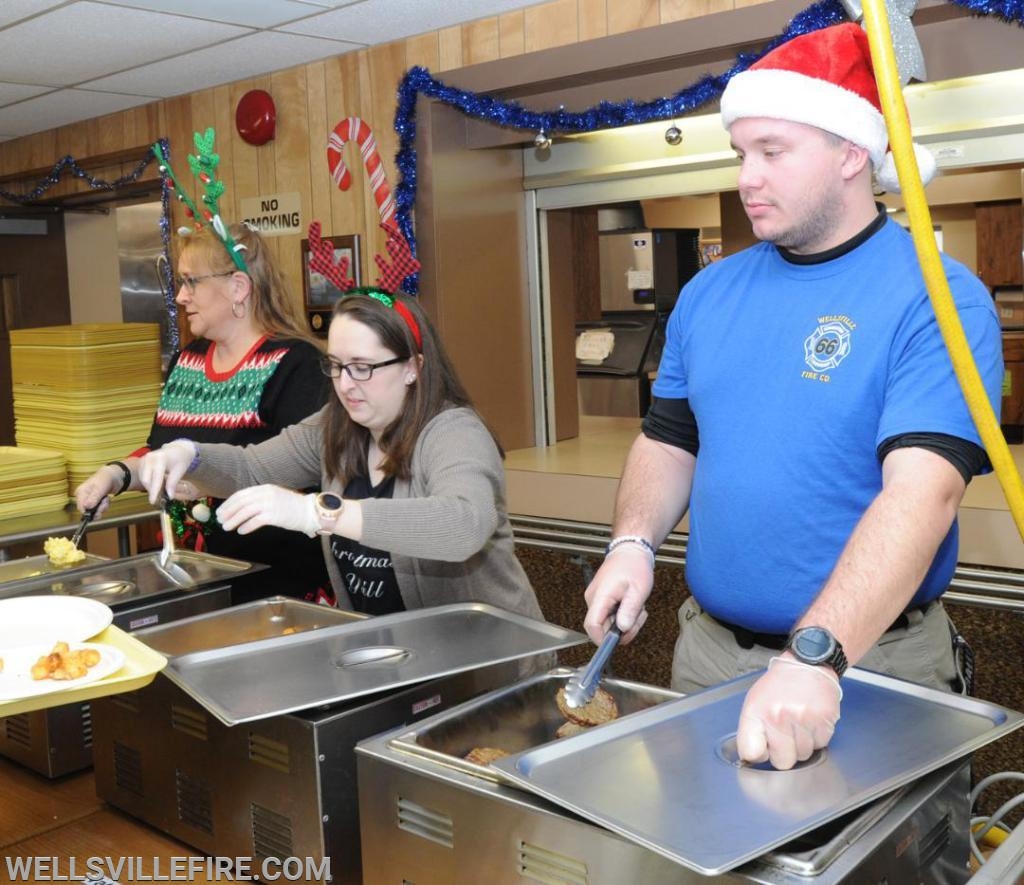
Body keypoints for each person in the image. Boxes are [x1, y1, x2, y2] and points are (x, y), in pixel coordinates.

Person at [581, 23, 1004, 770]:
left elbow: (922, 497)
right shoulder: (708, 295)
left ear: (850, 152)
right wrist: (633, 542)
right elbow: (669, 440)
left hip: (868, 666)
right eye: (743, 152)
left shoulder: (937, 298)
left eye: (773, 151)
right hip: (708, 657)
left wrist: (814, 655)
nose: (748, 175)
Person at [133, 285, 548, 627]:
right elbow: (252, 467)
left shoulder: (453, 432)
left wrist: (320, 513)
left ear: (413, 368)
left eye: (363, 367)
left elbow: (463, 524)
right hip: (399, 659)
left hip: (488, 666)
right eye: (336, 366)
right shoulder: (338, 425)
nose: (346, 384)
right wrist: (190, 455)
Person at [75, 223, 332, 604]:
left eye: (191, 281)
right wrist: (116, 475)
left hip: (275, 586)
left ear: (238, 288)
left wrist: (209, 480)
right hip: (193, 576)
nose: (181, 296)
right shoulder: (188, 359)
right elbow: (158, 451)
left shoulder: (297, 365)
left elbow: (309, 475)